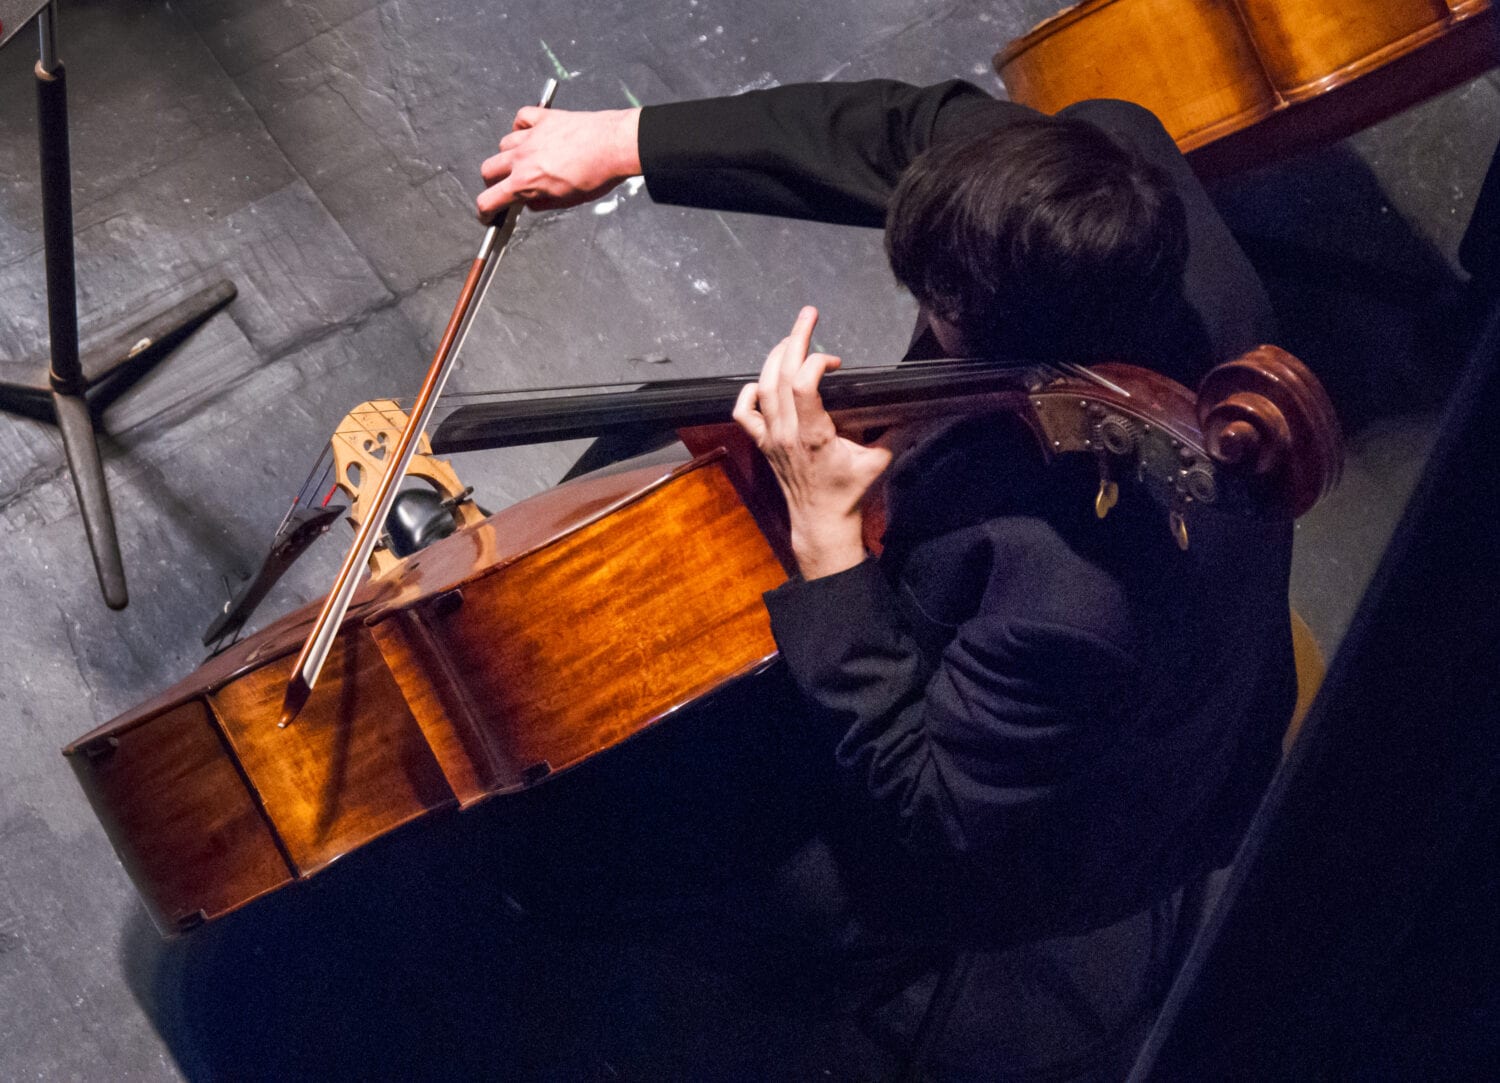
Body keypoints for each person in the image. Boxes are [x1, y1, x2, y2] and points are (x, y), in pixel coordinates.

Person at [475, 80, 1297, 1079]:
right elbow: (914, 126)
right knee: (660, 435)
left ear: (1018, 348)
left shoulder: (1077, 598)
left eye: (939, 313)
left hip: (1058, 824)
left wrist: (828, 539)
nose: (919, 317)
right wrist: (625, 140)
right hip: (1056, 650)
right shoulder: (1108, 172)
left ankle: (559, 890)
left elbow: (933, 805)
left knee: (678, 793)